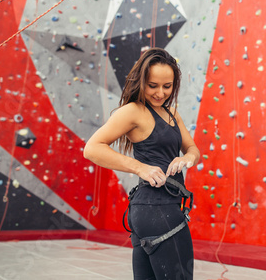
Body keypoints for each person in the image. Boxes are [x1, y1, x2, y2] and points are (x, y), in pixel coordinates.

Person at [83, 47, 200, 279]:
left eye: (167, 86)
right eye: (152, 85)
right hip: (156, 210)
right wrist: (140, 167)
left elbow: (193, 148)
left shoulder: (172, 114)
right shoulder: (132, 111)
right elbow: (92, 148)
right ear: (141, 81)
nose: (160, 93)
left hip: (158, 210)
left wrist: (187, 158)